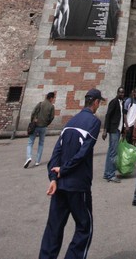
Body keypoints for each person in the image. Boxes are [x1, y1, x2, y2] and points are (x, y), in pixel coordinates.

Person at [38, 88, 105, 259]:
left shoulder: (70, 121)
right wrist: (65, 169)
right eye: (99, 102)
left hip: (60, 183)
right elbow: (83, 153)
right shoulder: (94, 122)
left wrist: (54, 177)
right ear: (96, 102)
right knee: (84, 227)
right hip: (77, 184)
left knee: (54, 227)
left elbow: (56, 152)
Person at [24, 91, 56, 168]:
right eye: (53, 98)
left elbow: (33, 112)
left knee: (30, 142)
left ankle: (29, 157)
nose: (53, 99)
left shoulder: (40, 104)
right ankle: (37, 161)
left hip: (36, 125)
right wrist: (47, 123)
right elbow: (51, 117)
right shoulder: (51, 107)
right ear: (51, 98)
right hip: (43, 127)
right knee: (41, 144)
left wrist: (32, 121)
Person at [102, 86, 125, 182]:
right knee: (113, 153)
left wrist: (123, 130)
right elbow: (108, 116)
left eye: (123, 93)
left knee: (111, 151)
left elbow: (122, 117)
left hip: (118, 129)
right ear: (117, 93)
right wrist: (105, 130)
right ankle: (110, 174)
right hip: (113, 130)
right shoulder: (114, 102)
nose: (121, 94)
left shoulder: (121, 103)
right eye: (120, 92)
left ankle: (107, 173)